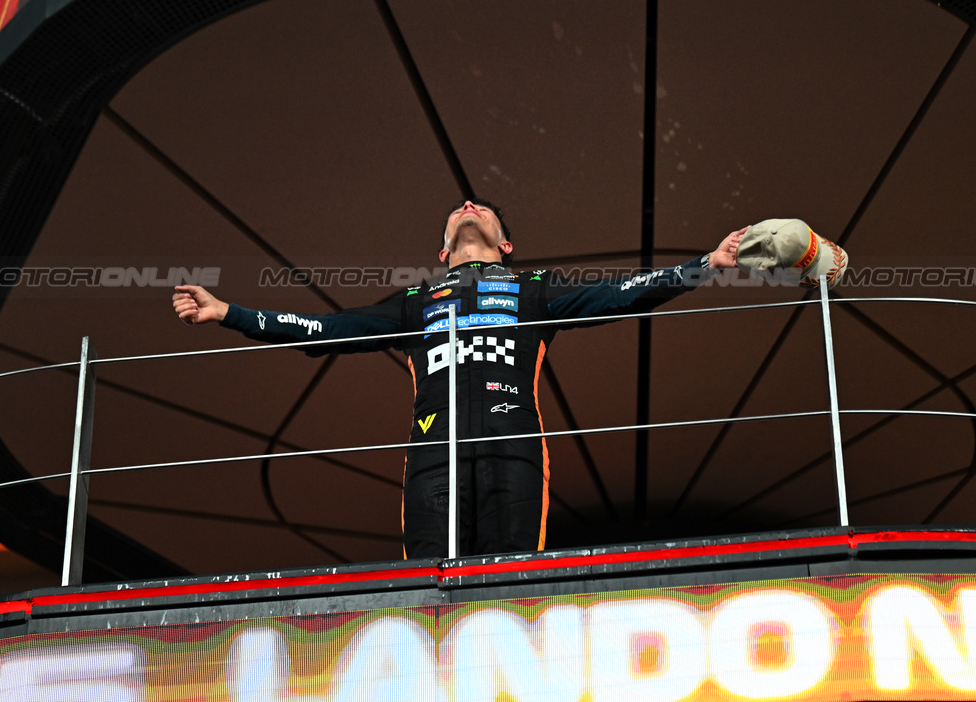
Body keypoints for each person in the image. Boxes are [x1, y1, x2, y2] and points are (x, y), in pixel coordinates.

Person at [173, 199, 749, 558]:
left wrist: (704, 266)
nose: (468, 204)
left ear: (506, 244)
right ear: (441, 249)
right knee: (431, 594)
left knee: (512, 592)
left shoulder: (534, 290)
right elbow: (323, 331)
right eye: (457, 209)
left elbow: (619, 294)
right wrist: (230, 313)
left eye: (481, 207)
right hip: (431, 458)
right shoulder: (414, 301)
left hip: (515, 450)